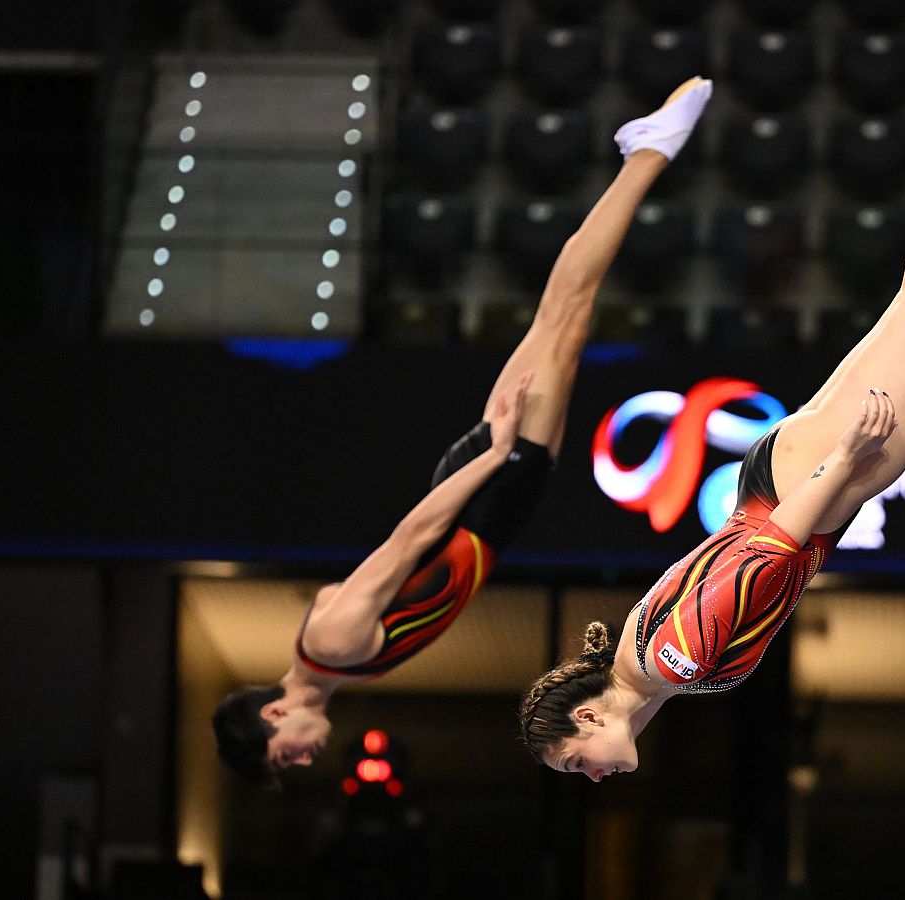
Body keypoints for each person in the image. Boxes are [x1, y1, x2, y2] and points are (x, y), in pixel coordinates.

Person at [519, 68, 905, 781]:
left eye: (575, 763)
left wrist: (847, 460)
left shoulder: (673, 661)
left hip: (805, 491)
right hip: (776, 480)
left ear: (587, 716)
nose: (591, 776)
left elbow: (763, 554)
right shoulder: (639, 672)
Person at [212, 77, 716, 785]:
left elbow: (411, 537)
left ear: (271, 717)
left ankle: (648, 152)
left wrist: (493, 458)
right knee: (562, 318)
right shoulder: (336, 668)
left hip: (483, 490)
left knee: (567, 312)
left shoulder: (329, 642)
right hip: (492, 503)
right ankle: (646, 153)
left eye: (281, 756)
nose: (300, 759)